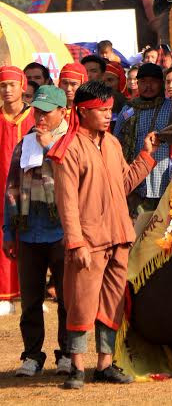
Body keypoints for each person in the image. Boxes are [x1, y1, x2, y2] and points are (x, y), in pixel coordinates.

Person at [50, 81, 157, 389]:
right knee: (81, 302)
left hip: (118, 234)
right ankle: (77, 369)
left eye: (110, 110)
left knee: (111, 302)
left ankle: (104, 366)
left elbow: (123, 184)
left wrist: (146, 156)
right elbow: (66, 202)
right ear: (83, 113)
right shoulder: (68, 149)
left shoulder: (110, 144)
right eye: (102, 111)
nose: (109, 116)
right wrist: (75, 241)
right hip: (88, 240)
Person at [3, 85, 72, 376]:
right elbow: (11, 188)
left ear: (62, 111)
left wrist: (49, 147)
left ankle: (68, 354)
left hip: (63, 232)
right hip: (29, 232)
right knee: (31, 301)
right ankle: (32, 356)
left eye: (47, 111)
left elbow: (73, 178)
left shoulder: (72, 141)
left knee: (67, 300)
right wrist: (9, 231)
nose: (40, 117)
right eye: (37, 111)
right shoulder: (23, 143)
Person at [113, 64, 172, 216]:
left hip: (163, 184)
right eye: (143, 81)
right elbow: (116, 141)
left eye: (153, 81)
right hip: (134, 184)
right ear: (137, 83)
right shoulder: (128, 109)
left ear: (161, 83)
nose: (148, 86)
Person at [0, 66, 35, 315]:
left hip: (32, 189)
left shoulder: (34, 116)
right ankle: (5, 294)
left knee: (32, 240)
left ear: (22, 86)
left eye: (12, 84)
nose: (7, 89)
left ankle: (31, 293)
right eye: (3, 85)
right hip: (1, 189)